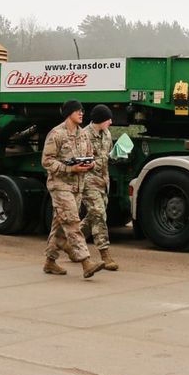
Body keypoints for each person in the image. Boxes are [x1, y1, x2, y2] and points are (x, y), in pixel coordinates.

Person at [41, 99, 105, 278]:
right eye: (78, 110)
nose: (82, 113)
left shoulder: (83, 135)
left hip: (77, 185)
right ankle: (86, 262)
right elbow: (46, 161)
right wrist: (69, 168)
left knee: (60, 225)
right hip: (60, 185)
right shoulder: (56, 134)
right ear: (69, 113)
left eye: (82, 110)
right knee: (72, 222)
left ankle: (50, 262)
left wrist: (89, 164)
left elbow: (89, 155)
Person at [81, 104, 118, 270]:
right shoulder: (84, 136)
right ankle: (105, 254)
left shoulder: (107, 134)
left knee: (93, 215)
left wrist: (117, 156)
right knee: (99, 214)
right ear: (100, 120)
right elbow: (78, 160)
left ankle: (72, 243)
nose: (111, 122)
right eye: (108, 119)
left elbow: (107, 155)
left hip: (103, 182)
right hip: (88, 181)